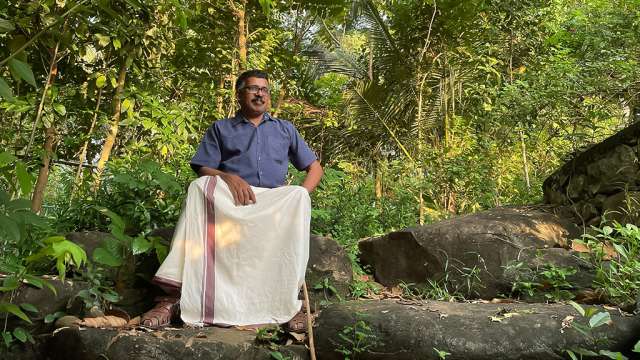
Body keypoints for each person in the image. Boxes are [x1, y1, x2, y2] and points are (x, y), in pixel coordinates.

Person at [140, 70, 323, 331]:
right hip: (233, 202)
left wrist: (300, 195)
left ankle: (289, 304)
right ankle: (172, 297)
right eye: (253, 88)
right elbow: (203, 167)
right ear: (239, 94)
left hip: (272, 203)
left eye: (265, 89)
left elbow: (315, 168)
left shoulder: (285, 129)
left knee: (298, 195)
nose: (260, 93)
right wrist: (229, 177)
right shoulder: (221, 128)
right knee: (199, 185)